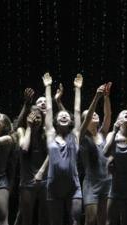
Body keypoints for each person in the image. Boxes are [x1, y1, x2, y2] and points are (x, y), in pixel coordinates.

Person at [43, 73, 83, 225]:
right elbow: (48, 109)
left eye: (67, 115)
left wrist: (77, 89)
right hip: (53, 187)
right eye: (61, 115)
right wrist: (47, 87)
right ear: (56, 120)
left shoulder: (75, 135)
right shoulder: (50, 134)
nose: (64, 116)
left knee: (75, 222)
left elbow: (77, 111)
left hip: (73, 187)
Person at [79, 82, 112, 225]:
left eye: (95, 113)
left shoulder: (103, 133)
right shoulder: (81, 137)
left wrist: (106, 97)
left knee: (103, 221)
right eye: (91, 115)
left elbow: (108, 114)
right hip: (91, 184)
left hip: (107, 181)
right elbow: (86, 119)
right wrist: (96, 97)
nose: (94, 115)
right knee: (91, 220)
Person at [17, 105, 49, 225]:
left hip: (44, 181)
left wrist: (41, 171)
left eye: (38, 117)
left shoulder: (45, 132)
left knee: (44, 218)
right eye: (33, 117)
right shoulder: (22, 130)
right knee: (27, 219)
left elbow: (51, 153)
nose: (36, 120)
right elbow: (24, 148)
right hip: (27, 182)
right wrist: (29, 127)